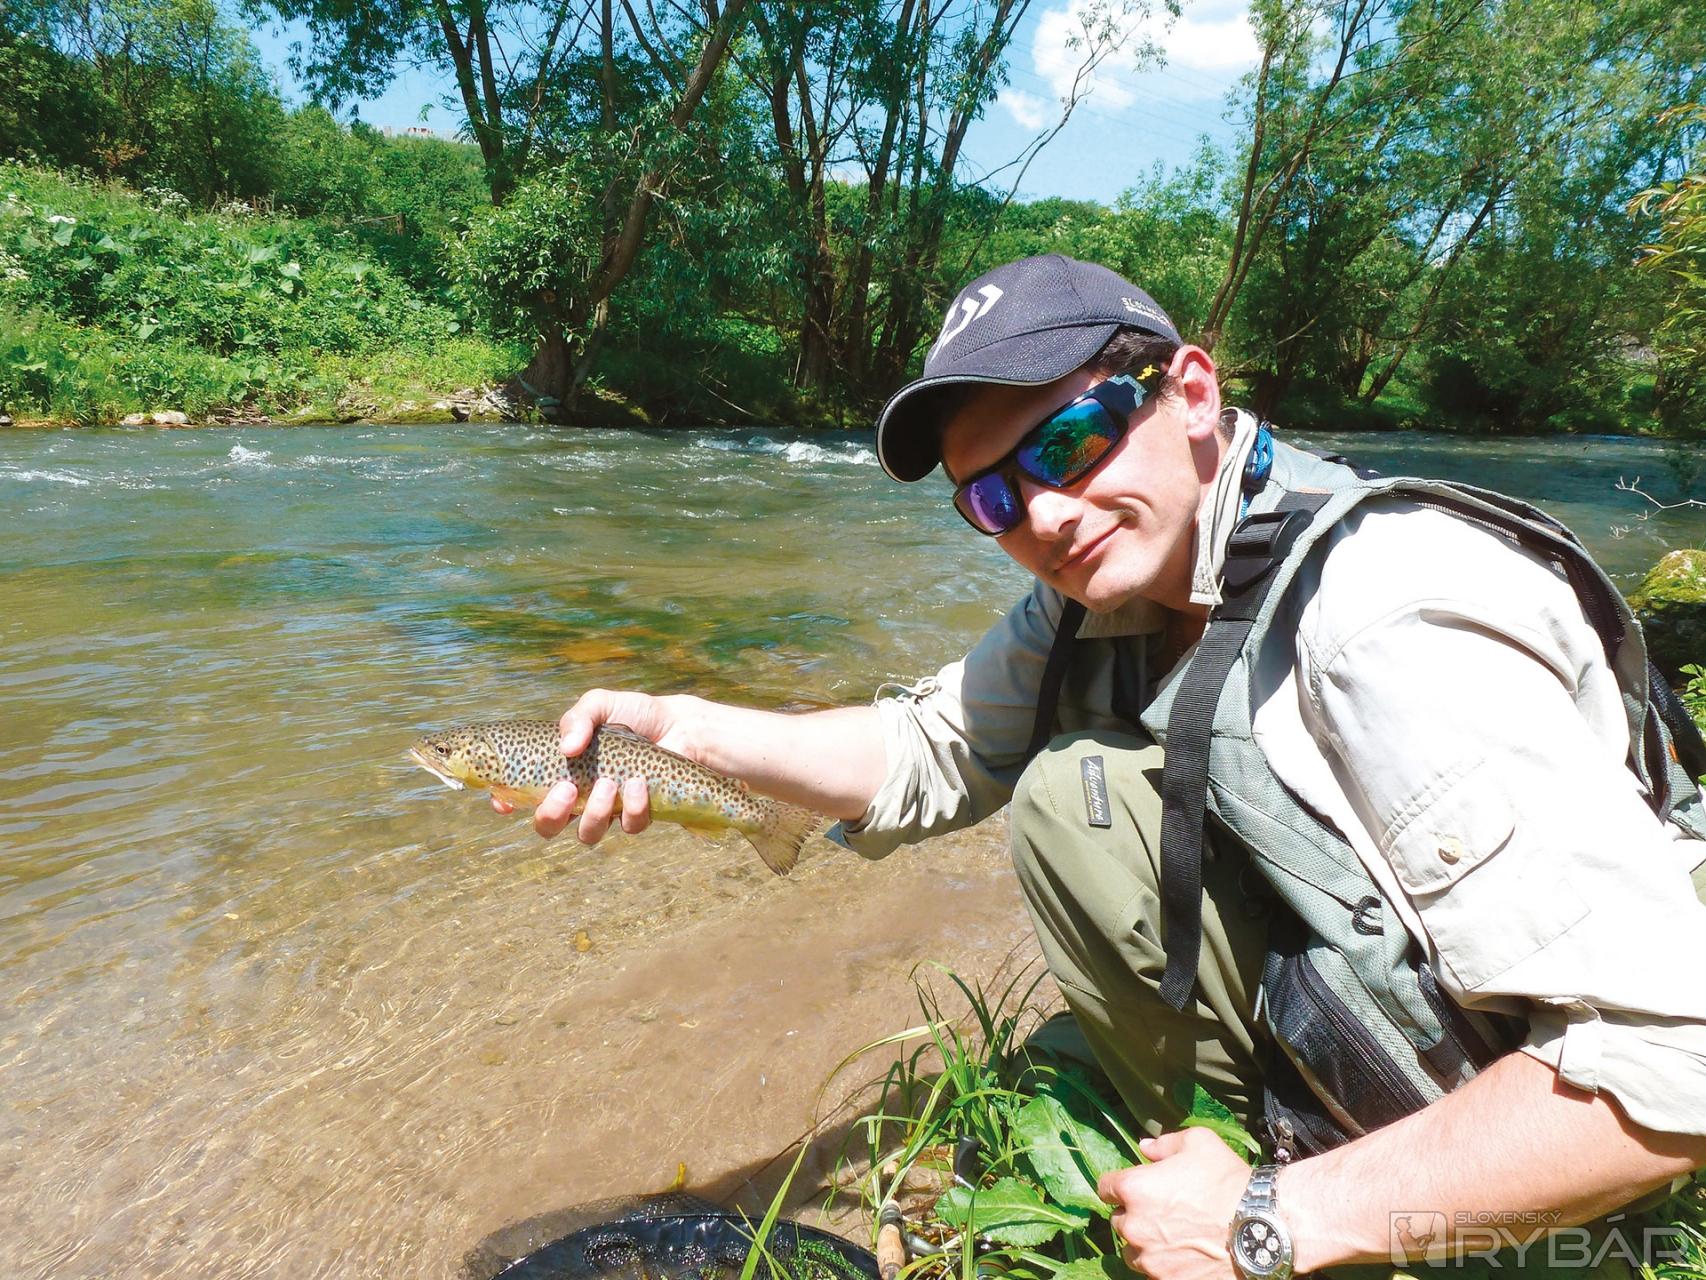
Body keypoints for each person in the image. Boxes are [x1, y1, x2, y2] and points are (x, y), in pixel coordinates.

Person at [496, 255, 1706, 1280]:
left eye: (1069, 440)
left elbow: (1676, 1062)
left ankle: (1358, 1185)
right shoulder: (1106, 585)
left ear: (1187, 391)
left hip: (1582, 1119)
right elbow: (928, 745)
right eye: (991, 494)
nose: (1044, 511)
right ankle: (1252, 1125)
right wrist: (688, 730)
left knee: (1082, 793)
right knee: (1078, 780)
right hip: (1430, 1017)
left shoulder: (1389, 616)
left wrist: (1272, 1222)